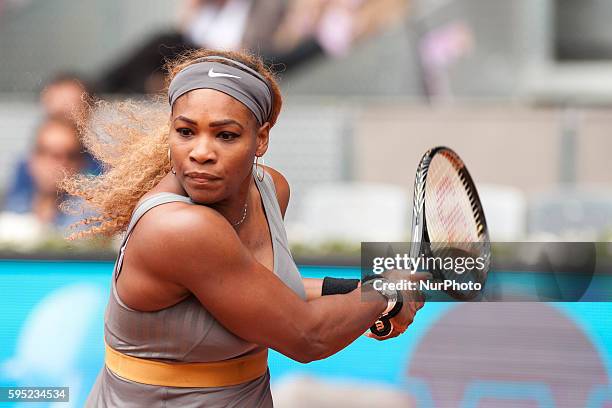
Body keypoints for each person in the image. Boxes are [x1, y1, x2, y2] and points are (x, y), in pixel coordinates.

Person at [62, 49, 425, 407]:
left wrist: (358, 293)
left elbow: (260, 286)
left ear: (261, 139)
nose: (201, 151)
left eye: (226, 135)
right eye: (186, 132)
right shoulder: (178, 228)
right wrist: (386, 291)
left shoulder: (271, 190)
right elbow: (308, 338)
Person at [1, 115, 87, 234]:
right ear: (32, 158)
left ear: (81, 162)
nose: (60, 164)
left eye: (70, 155)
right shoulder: (7, 214)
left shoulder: (93, 221)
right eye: (48, 153)